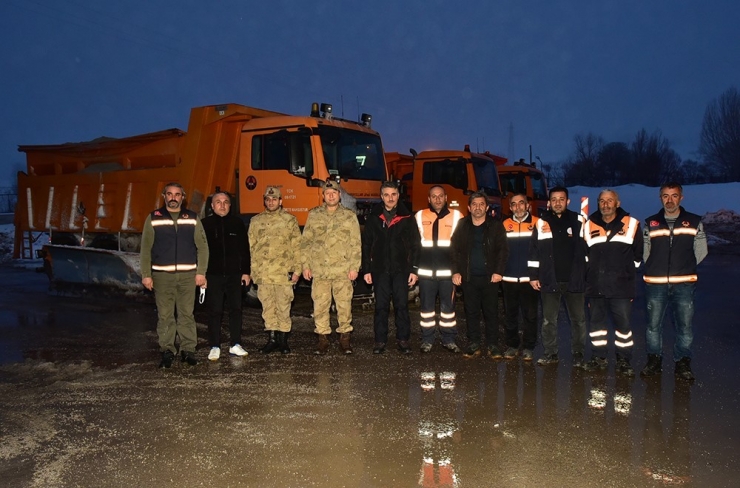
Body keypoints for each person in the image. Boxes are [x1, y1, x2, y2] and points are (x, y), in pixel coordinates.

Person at [641, 182, 708, 381]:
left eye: (674, 196)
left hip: (684, 284)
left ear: (681, 197)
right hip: (655, 283)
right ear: (660, 197)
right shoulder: (651, 222)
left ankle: (683, 362)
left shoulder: (694, 221)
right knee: (653, 326)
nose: (669, 200)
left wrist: (685, 267)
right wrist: (655, 268)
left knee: (685, 326)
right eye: (665, 196)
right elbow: (646, 252)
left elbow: (701, 251)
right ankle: (654, 361)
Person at [140, 182, 209, 368]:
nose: (173, 197)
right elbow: (145, 248)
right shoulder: (154, 218)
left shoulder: (193, 218)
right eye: (169, 194)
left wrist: (201, 273)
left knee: (187, 314)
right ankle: (167, 351)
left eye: (177, 194)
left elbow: (203, 247)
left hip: (188, 276)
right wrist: (146, 274)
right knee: (165, 316)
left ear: (182, 197)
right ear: (164, 196)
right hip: (162, 277)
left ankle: (188, 350)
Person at [582, 189, 643, 376]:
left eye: (610, 200)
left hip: (621, 288)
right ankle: (599, 357)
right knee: (596, 326)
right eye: (602, 201)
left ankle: (624, 360)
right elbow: (585, 257)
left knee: (623, 327)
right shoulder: (588, 224)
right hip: (596, 287)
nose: (605, 204)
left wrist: (622, 274)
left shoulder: (632, 224)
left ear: (618, 203)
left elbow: (638, 257)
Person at [529, 186, 588, 368]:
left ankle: (578, 354)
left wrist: (586, 274)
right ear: (549, 202)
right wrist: (533, 276)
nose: (557, 203)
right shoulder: (541, 222)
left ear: (567, 201)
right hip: (549, 279)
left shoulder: (579, 221)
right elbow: (534, 251)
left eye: (561, 199)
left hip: (574, 280)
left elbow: (588, 248)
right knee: (548, 320)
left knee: (578, 320)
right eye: (554, 199)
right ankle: (550, 353)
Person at [302, 180, 362, 355]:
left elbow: (355, 243)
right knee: (320, 306)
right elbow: (306, 242)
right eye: (327, 193)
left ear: (339, 195)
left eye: (334, 193)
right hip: (320, 270)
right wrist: (306, 265)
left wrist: (354, 267)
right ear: (323, 196)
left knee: (344, 306)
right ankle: (322, 339)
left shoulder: (349, 216)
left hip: (343, 270)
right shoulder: (314, 215)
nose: (330, 195)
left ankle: (345, 339)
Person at [362, 181, 420, 354]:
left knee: (402, 306)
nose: (390, 198)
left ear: (398, 195)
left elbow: (416, 246)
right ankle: (380, 340)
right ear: (381, 197)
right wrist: (366, 270)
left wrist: (414, 270)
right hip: (380, 270)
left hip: (401, 270)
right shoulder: (373, 217)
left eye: (393, 194)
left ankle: (403, 339)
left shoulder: (407, 218)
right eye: (386, 195)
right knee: (381, 307)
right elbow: (366, 245)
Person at [450, 191, 509, 359]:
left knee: (491, 312)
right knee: (471, 312)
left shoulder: (496, 226)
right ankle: (473, 342)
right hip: (468, 277)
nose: (478, 207)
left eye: (481, 204)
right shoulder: (462, 225)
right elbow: (454, 250)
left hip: (490, 277)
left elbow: (503, 250)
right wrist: (455, 271)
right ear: (469, 207)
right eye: (474, 204)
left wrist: (498, 271)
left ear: (487, 207)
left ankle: (493, 344)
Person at [248, 186, 301, 354]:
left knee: (284, 307)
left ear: (280, 201)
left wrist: (298, 270)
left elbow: (298, 247)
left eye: (274, 199)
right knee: (268, 308)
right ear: (264, 200)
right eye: (268, 199)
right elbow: (250, 248)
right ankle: (272, 339)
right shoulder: (256, 221)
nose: (271, 202)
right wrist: (251, 272)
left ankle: (283, 341)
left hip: (283, 273)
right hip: (263, 273)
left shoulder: (289, 220)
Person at [201, 191, 251, 361]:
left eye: (225, 202)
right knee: (215, 311)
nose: (222, 205)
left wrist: (245, 271)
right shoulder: (204, 225)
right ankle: (214, 346)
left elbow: (244, 250)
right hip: (212, 276)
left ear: (230, 205)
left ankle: (235, 344)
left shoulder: (237, 224)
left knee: (236, 310)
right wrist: (201, 274)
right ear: (212, 206)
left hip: (234, 275)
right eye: (218, 202)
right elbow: (198, 251)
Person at [414, 185, 463, 353]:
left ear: (446, 197)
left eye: (440, 196)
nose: (437, 199)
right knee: (426, 310)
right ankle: (427, 340)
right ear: (428, 199)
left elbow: (461, 248)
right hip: (426, 273)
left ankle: (448, 339)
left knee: (448, 310)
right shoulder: (420, 216)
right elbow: (414, 246)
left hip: (448, 274)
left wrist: (458, 270)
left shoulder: (457, 216)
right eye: (434, 196)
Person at [501, 193, 540, 361]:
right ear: (510, 207)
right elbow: (500, 251)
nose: (518, 207)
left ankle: (529, 347)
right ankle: (512, 345)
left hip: (529, 279)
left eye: (521, 203)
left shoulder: (538, 223)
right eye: (514, 204)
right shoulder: (504, 224)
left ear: (528, 206)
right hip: (508, 279)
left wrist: (538, 275)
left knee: (530, 315)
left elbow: (543, 252)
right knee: (510, 315)